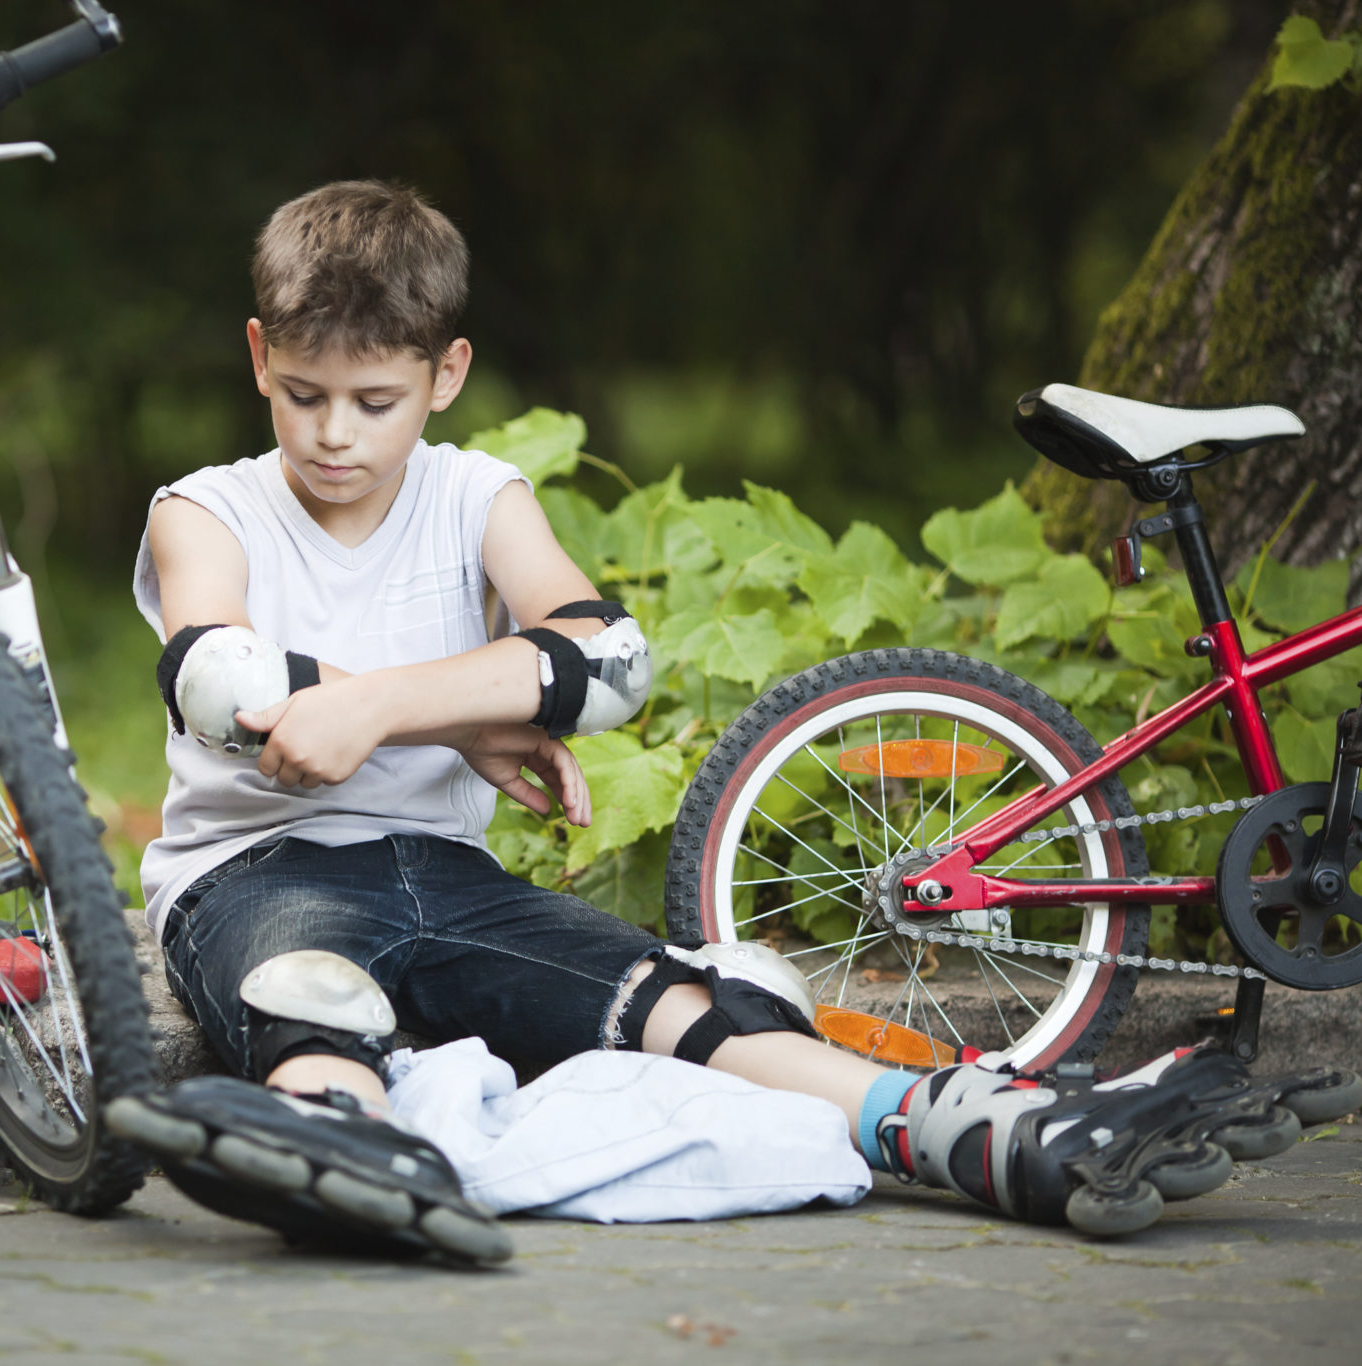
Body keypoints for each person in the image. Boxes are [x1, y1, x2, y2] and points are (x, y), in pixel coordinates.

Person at [104, 180, 1361, 1265]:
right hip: (253, 872)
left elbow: (607, 662)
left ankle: (976, 1130)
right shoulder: (205, 508)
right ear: (258, 356)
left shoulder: (474, 493)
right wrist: (460, 711)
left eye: (373, 400)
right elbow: (223, 684)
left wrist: (386, 706)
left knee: (679, 1002)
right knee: (306, 994)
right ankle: (342, 1147)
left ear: (447, 374)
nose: (333, 434)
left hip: (448, 875)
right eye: (304, 393)